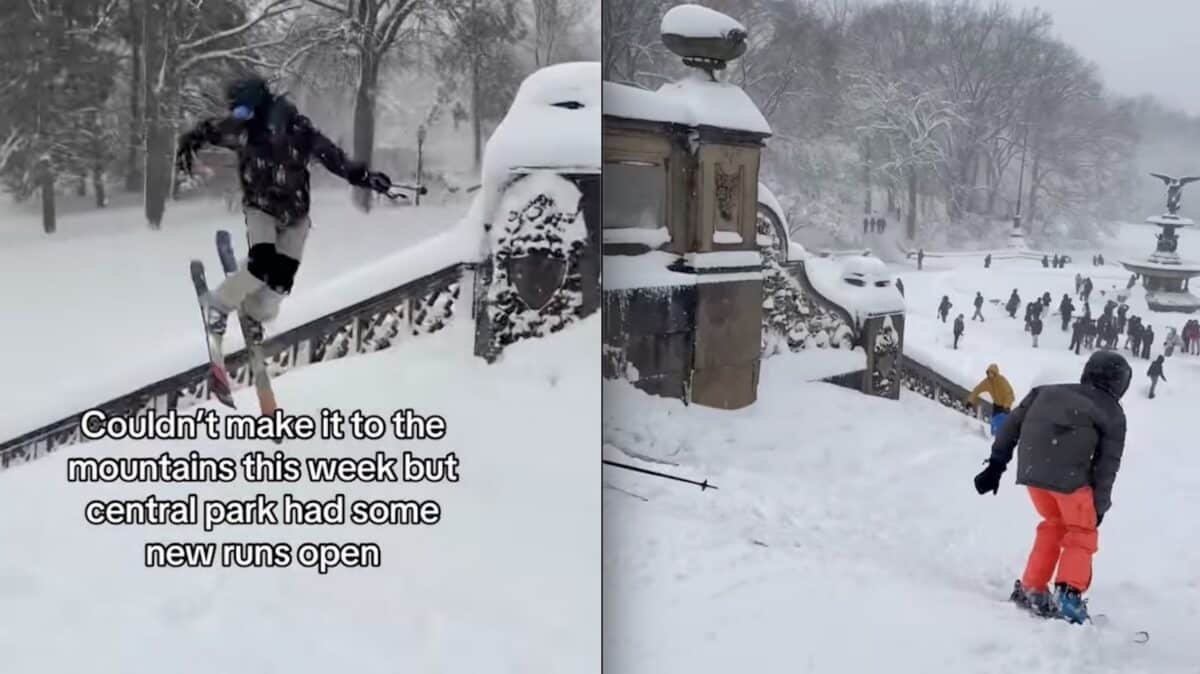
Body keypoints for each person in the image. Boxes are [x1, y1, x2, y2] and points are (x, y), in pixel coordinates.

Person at [175, 75, 396, 341]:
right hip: (261, 207)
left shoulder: (299, 131)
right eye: (235, 111)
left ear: (257, 105)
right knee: (262, 262)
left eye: (242, 109)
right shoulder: (241, 128)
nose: (237, 115)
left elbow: (332, 157)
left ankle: (255, 313)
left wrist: (363, 177)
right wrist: (192, 139)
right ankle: (219, 304)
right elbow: (211, 130)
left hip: (296, 214)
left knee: (282, 280)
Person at [973, 351, 1130, 624]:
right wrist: (1099, 506)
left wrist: (996, 465)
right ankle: (1068, 594)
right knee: (1081, 532)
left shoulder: (1044, 391)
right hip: (1071, 480)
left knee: (1055, 523)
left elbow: (1011, 426)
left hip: (1033, 475)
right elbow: (1108, 465)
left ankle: (1032, 587)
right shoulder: (1111, 412)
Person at [967, 364, 1015, 436]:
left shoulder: (1002, 380)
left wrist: (1007, 406)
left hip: (1005, 407)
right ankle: (993, 438)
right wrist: (970, 401)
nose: (990, 375)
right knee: (995, 423)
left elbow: (1009, 394)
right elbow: (977, 390)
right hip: (996, 405)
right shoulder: (987, 382)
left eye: (992, 373)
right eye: (989, 373)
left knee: (1005, 426)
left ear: (996, 373)